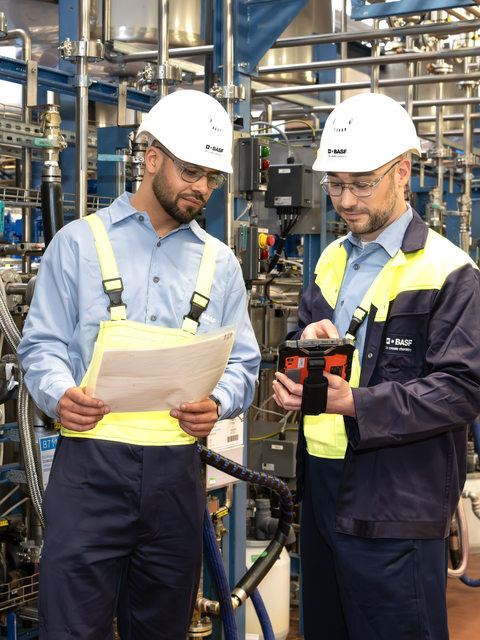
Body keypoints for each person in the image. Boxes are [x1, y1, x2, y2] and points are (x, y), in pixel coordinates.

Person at [18, 89, 260, 640]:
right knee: (72, 628)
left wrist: (218, 402)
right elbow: (40, 346)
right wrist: (59, 394)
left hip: (177, 477)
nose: (200, 187)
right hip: (89, 471)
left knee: (163, 629)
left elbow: (243, 363)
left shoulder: (220, 265)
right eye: (190, 171)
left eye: (211, 178)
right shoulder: (77, 244)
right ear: (151, 158)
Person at [273, 92, 480, 640]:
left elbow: (462, 388)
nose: (345, 199)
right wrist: (302, 356)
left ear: (403, 173)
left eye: (361, 184)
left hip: (396, 497)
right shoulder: (332, 257)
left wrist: (356, 403)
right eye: (335, 184)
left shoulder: (450, 270)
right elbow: (303, 339)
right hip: (321, 483)